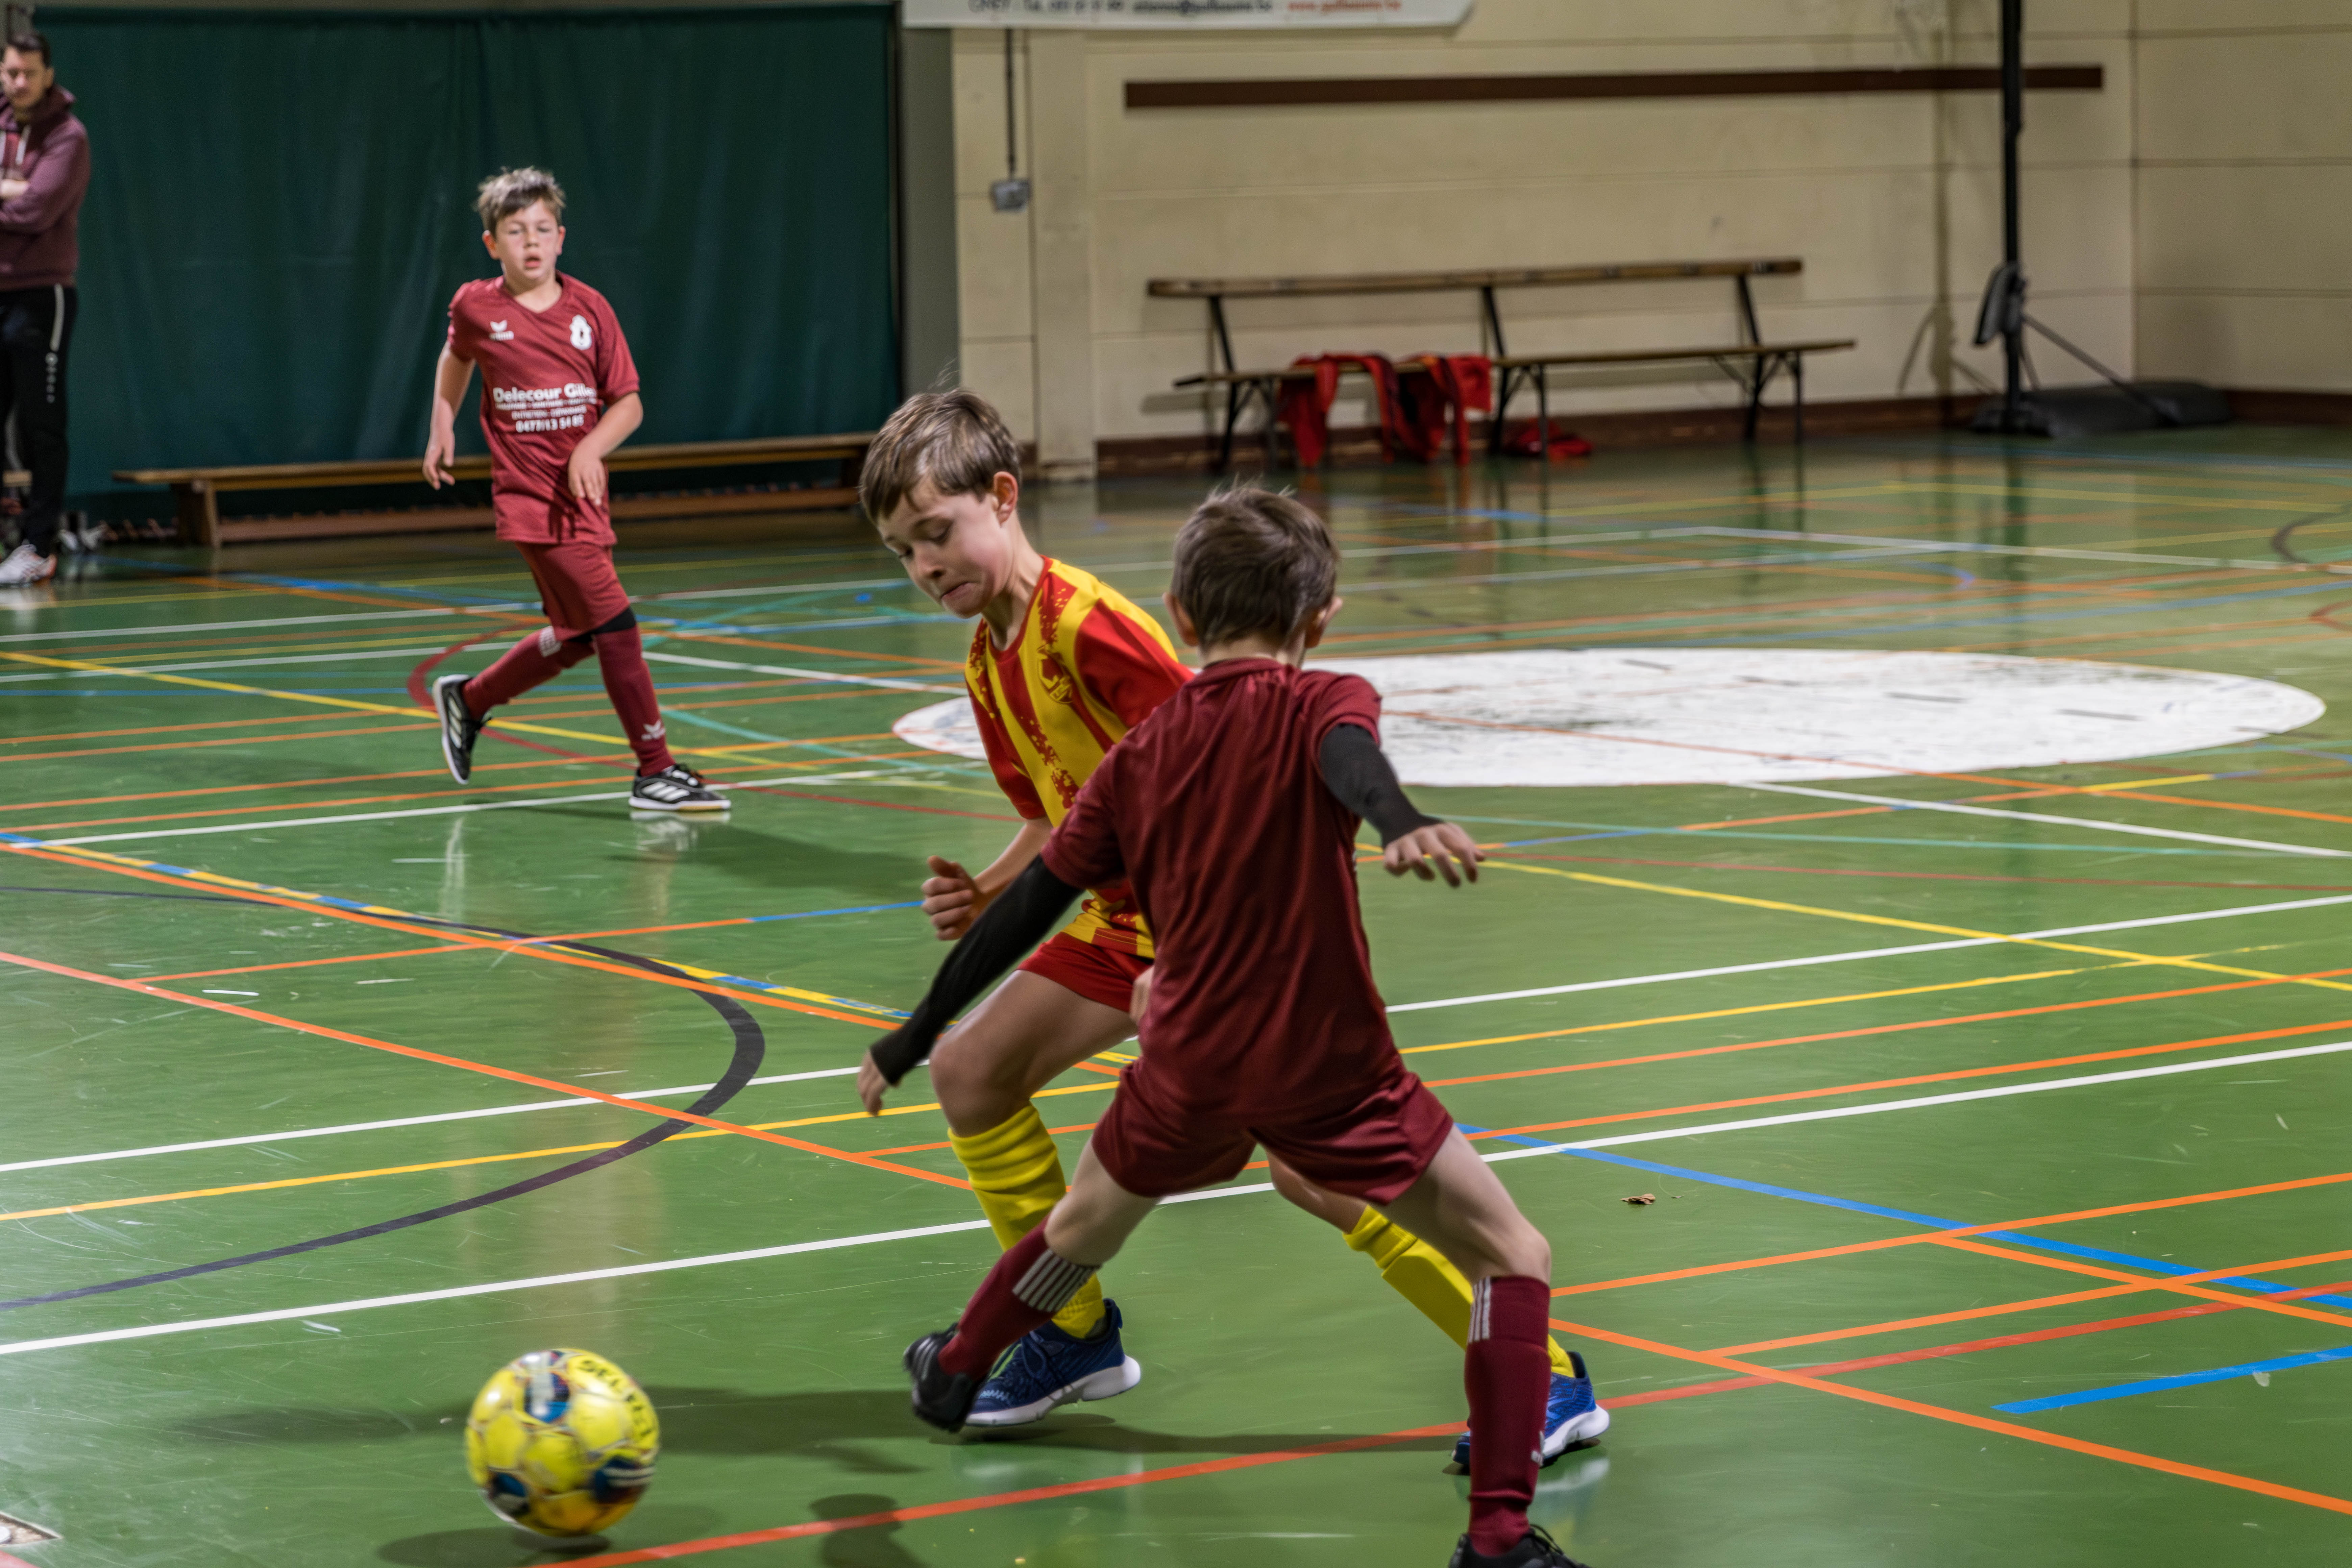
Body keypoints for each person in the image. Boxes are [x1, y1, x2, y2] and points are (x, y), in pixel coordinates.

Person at [856, 393, 1604, 1461]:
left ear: (1004, 499)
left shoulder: (1093, 629)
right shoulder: (988, 655)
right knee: (972, 1072)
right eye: (904, 552)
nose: (926, 564)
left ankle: (1552, 1382)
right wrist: (993, 890)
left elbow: (1220, 774)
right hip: (1124, 921)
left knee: (1313, 1173)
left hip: (1195, 932)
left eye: (937, 532)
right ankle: (1071, 1337)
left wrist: (1192, 957)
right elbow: (1066, 816)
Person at [422, 166, 722, 812]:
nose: (530, 241)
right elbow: (457, 355)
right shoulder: (476, 306)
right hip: (532, 501)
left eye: (542, 229)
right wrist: (442, 421)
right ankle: (655, 771)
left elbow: (629, 403)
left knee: (582, 633)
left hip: (586, 501)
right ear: (492, 244)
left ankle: (471, 699)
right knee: (619, 628)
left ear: (562, 238)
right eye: (515, 231)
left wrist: (590, 448)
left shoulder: (591, 309)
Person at [0, 31, 89, 588]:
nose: (20, 83)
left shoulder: (68, 136)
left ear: (48, 75)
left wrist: (23, 193)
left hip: (42, 296)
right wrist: (13, 188)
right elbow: (23, 200)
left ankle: (38, 546)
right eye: (12, 72)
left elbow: (37, 210)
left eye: (30, 73)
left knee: (42, 425)